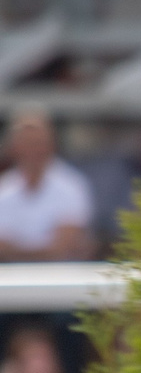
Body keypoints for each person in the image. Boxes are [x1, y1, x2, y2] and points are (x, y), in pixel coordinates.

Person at [0, 107, 94, 262]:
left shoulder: (72, 186)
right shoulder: (4, 188)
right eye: (26, 143)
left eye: (38, 143)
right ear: (14, 147)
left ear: (51, 144)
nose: (33, 150)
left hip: (61, 279)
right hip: (10, 280)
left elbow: (62, 248)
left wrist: (15, 251)